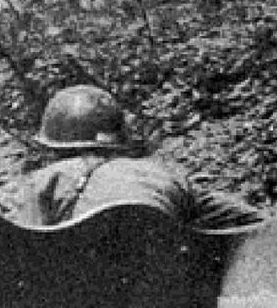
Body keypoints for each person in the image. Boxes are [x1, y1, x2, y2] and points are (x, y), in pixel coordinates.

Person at [19, 85, 263, 229]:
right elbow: (256, 224)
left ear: (52, 146)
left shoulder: (33, 186)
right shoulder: (165, 175)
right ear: (120, 138)